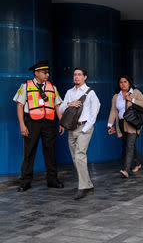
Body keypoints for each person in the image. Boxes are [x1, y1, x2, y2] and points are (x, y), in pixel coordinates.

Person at [13, 60, 65, 192]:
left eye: (48, 72)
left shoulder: (52, 87)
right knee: (29, 152)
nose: (47, 75)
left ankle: (52, 180)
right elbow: (19, 106)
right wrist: (22, 125)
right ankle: (25, 181)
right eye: (44, 72)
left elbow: (57, 105)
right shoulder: (25, 86)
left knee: (50, 151)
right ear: (36, 73)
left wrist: (62, 122)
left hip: (49, 122)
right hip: (32, 123)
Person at [59, 68, 100, 200]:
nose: (76, 77)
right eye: (75, 75)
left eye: (79, 75)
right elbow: (60, 108)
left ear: (85, 77)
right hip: (72, 128)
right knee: (75, 158)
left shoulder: (90, 93)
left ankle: (82, 187)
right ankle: (88, 183)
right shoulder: (70, 92)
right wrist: (69, 104)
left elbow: (95, 111)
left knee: (80, 155)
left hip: (84, 127)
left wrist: (85, 128)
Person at [107, 76, 143, 178]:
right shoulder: (116, 96)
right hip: (121, 123)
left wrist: (131, 99)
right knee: (130, 145)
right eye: (121, 82)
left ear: (129, 83)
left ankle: (126, 169)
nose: (123, 84)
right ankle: (137, 163)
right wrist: (110, 124)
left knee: (129, 145)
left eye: (125, 82)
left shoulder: (136, 92)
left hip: (132, 123)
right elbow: (113, 111)